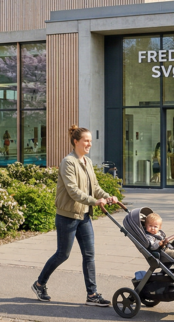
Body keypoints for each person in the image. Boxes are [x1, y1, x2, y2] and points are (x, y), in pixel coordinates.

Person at [31, 125, 119, 307]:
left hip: (84, 216)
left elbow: (94, 187)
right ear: (76, 141)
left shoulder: (86, 162)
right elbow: (73, 191)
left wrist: (107, 197)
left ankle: (92, 294)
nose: (89, 144)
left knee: (89, 255)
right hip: (67, 216)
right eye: (86, 141)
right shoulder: (68, 162)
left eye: (90, 141)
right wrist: (95, 202)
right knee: (63, 254)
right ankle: (39, 284)